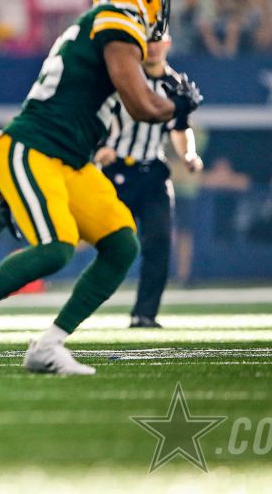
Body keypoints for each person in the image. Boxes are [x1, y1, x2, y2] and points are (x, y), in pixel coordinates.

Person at [0, 0, 203, 375]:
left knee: (121, 245)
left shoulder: (107, 28)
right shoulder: (116, 20)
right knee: (56, 248)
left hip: (68, 160)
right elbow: (140, 103)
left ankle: (49, 345)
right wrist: (175, 106)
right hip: (34, 150)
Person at [92, 34, 204, 328]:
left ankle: (145, 313)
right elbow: (96, 118)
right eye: (148, 42)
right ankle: (86, 301)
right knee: (112, 244)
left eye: (158, 41)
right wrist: (98, 149)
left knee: (159, 242)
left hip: (153, 170)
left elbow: (180, 127)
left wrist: (188, 154)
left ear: (167, 44)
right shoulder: (124, 78)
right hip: (117, 171)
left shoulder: (175, 84)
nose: (153, 48)